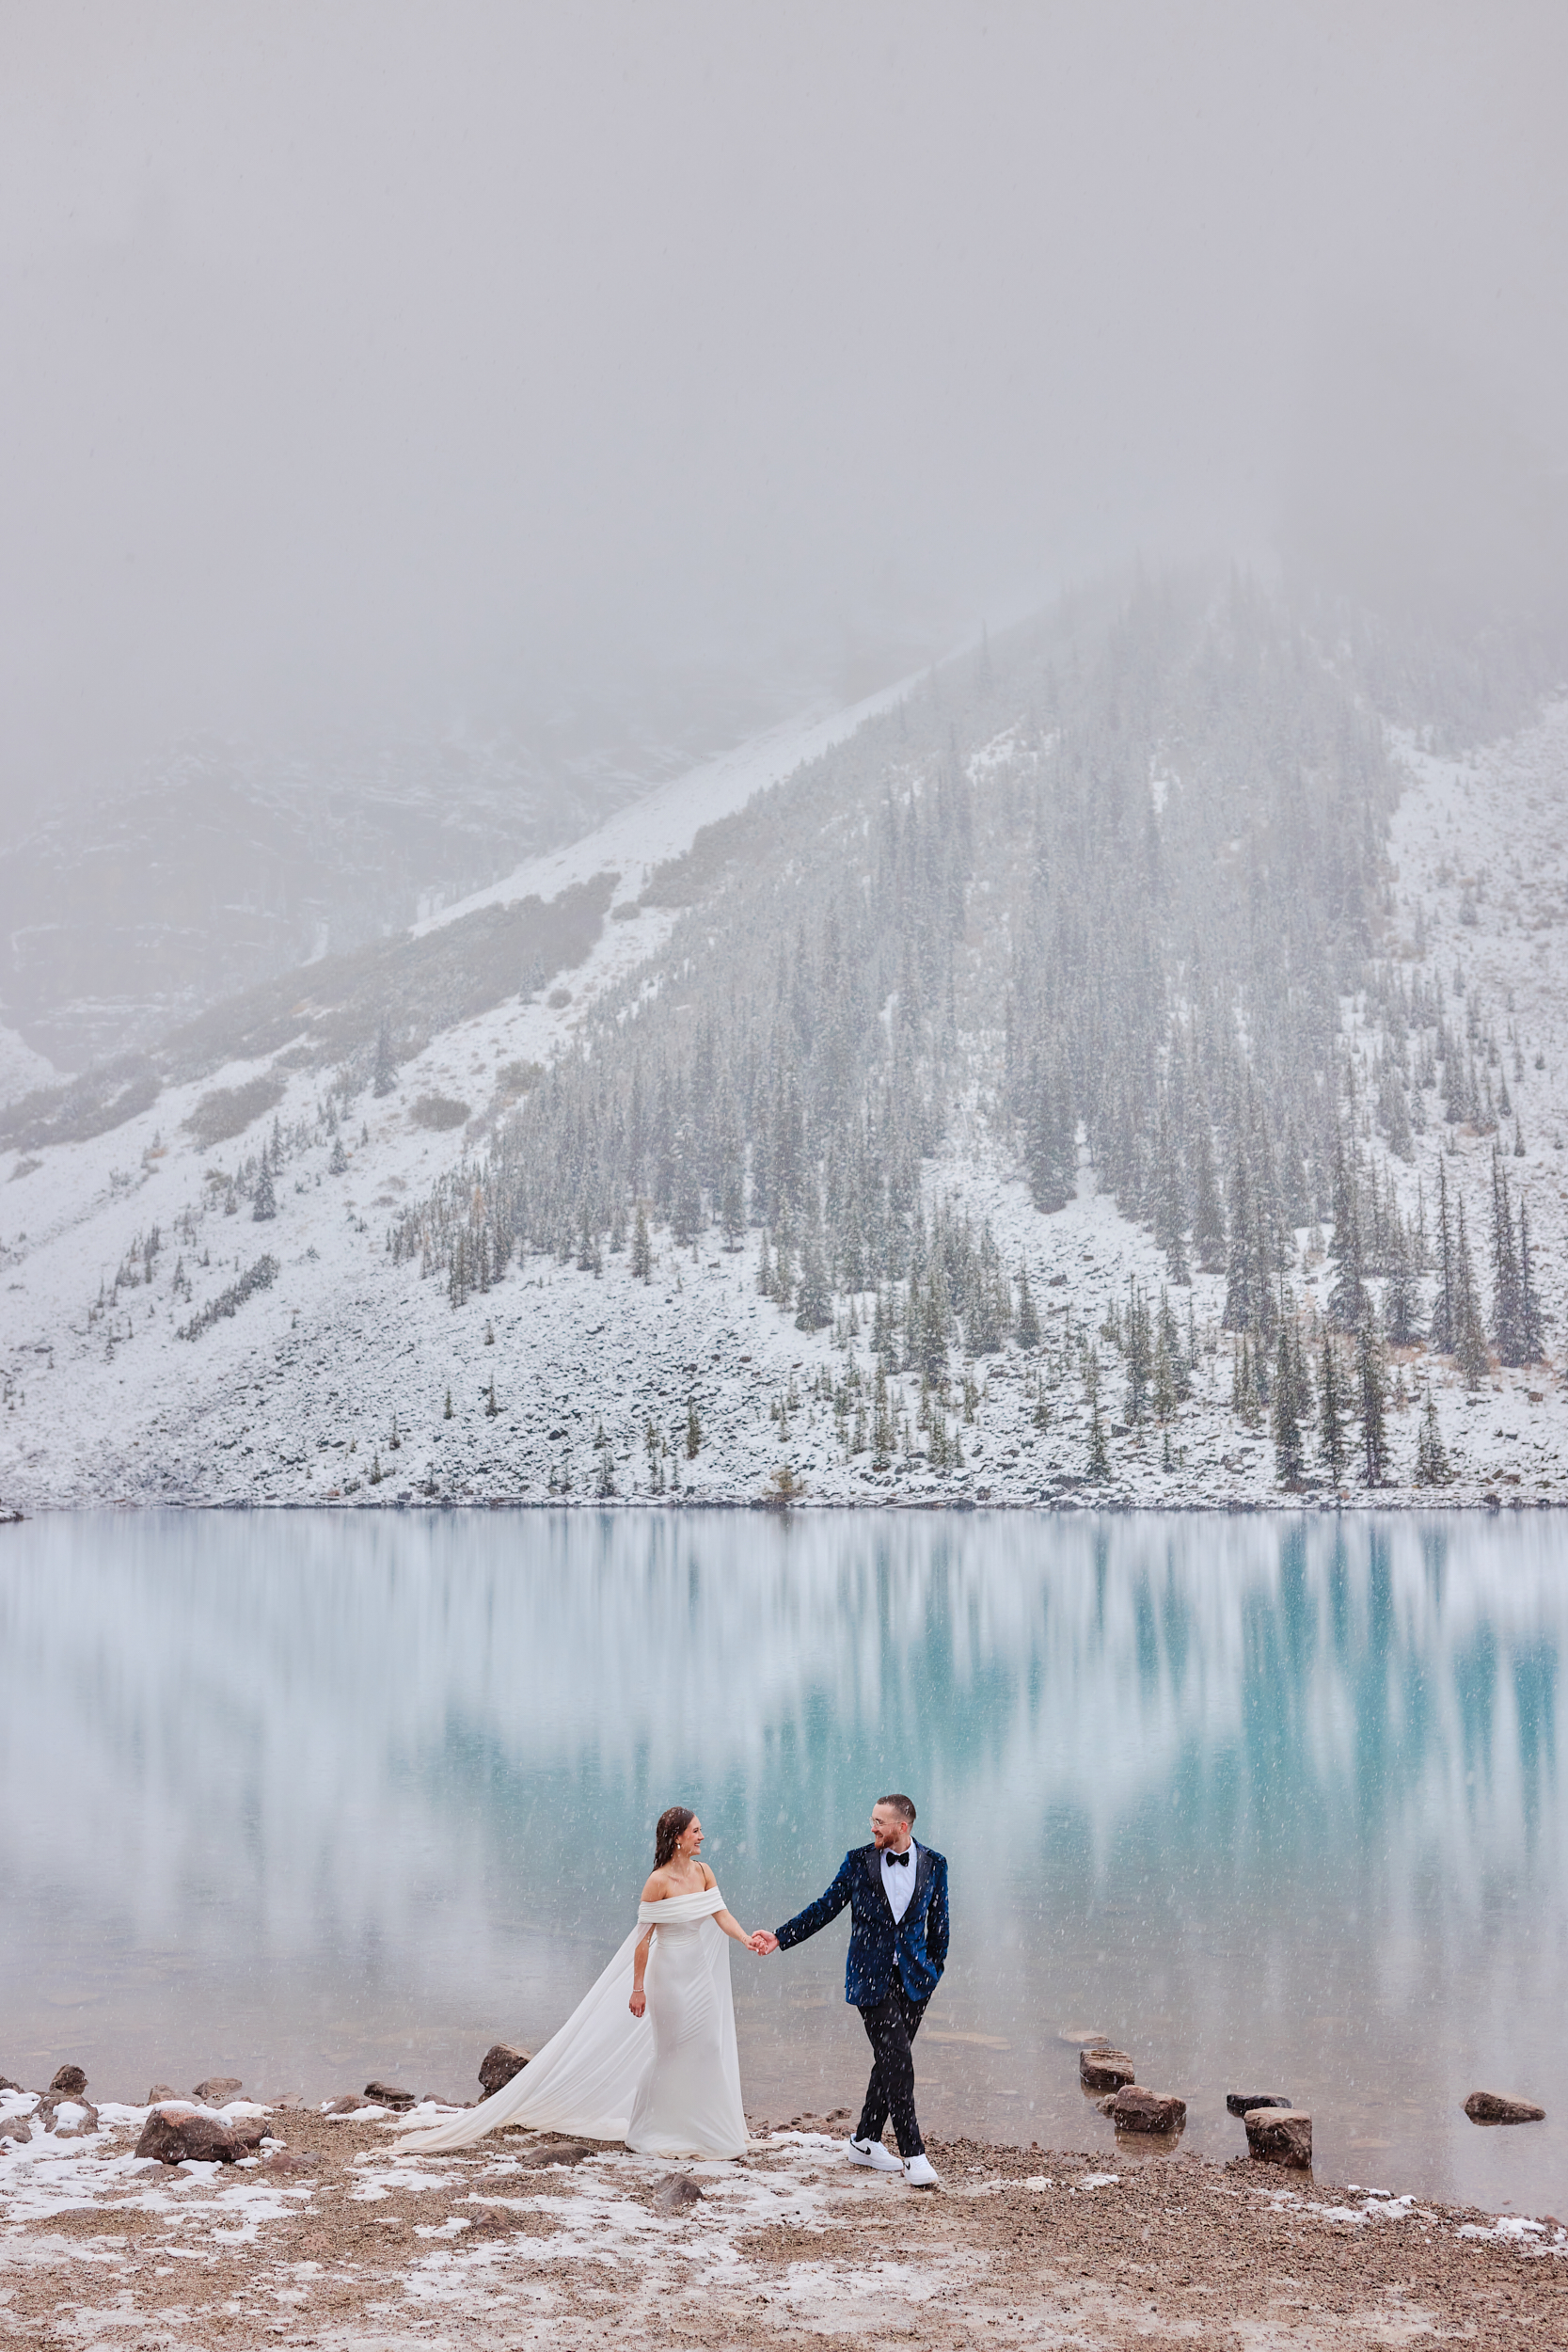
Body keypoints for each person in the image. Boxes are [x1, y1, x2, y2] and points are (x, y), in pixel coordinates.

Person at [395, 1806, 760, 2159]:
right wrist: (637, 1988)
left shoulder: (704, 1872)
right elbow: (643, 1940)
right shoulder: (658, 1882)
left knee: (708, 2047)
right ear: (678, 1838)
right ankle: (654, 2129)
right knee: (672, 2051)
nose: (702, 1836)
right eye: (695, 1830)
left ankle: (704, 2129)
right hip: (670, 1977)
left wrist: (745, 1939)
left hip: (698, 1974)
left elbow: (720, 1915)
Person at [751, 1793, 947, 2187]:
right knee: (897, 2060)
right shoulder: (858, 1862)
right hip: (869, 1977)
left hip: (915, 1980)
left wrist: (933, 1970)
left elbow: (940, 1923)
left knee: (890, 2061)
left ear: (902, 1827)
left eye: (879, 1822)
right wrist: (781, 1936)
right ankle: (914, 2154)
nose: (872, 1827)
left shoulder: (934, 1864)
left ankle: (865, 2141)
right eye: (871, 1820)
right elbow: (826, 1907)